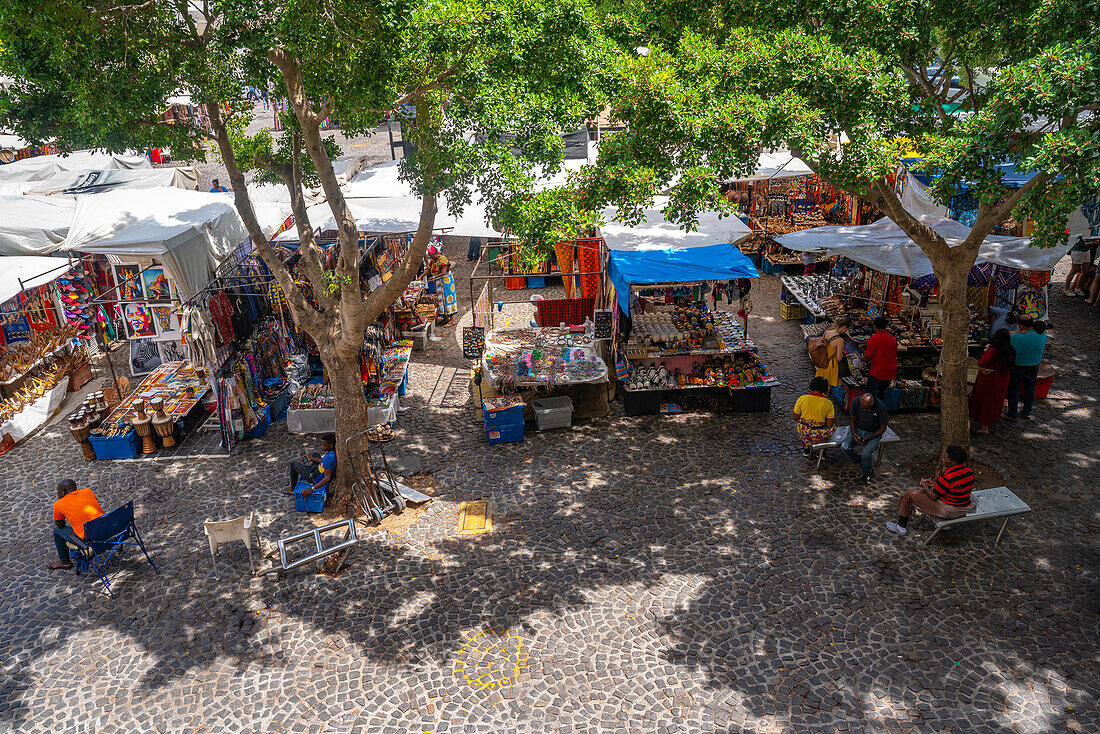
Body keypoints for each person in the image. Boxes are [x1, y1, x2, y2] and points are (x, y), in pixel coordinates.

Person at [886, 445, 974, 536]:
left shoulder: (947, 476)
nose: (943, 460)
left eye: (945, 458)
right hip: (963, 508)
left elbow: (933, 496)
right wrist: (936, 484)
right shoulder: (969, 472)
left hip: (949, 511)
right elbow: (954, 488)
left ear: (953, 462)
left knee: (909, 494)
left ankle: (901, 527)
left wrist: (924, 486)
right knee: (922, 493)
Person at [48, 480, 104, 570]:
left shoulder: (58, 504)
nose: (57, 493)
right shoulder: (88, 491)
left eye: (58, 491)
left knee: (57, 531)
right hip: (106, 529)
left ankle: (65, 561)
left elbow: (60, 526)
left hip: (88, 539)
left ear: (63, 492)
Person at [969, 328, 1015, 434]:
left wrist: (982, 368)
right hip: (1003, 378)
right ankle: (992, 419)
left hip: (990, 378)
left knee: (986, 401)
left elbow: (981, 362)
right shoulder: (1011, 350)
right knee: (996, 400)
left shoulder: (993, 350)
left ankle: (985, 427)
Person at [1004, 314, 1047, 422]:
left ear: (1021, 326)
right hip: (1034, 365)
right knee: (1030, 389)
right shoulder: (1042, 335)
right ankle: (1028, 412)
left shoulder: (1015, 337)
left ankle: (1012, 414)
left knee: (1014, 390)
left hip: (1018, 366)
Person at [841, 392, 888, 483]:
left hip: (873, 433)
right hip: (858, 429)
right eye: (863, 407)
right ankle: (860, 461)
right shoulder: (856, 402)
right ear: (860, 400)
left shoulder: (881, 407)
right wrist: (854, 433)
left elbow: (883, 428)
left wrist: (869, 438)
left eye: (868, 408)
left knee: (865, 454)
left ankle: (866, 474)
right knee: (844, 446)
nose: (866, 410)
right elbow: (852, 420)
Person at [793, 377, 835, 457]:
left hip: (805, 431)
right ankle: (823, 453)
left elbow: (795, 418)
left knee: (801, 424)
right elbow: (829, 424)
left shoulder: (802, 399)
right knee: (833, 427)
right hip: (820, 433)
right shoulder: (828, 403)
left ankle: (806, 449)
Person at [862, 316, 898, 402]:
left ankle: (868, 412)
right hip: (890, 371)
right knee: (881, 394)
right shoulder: (892, 339)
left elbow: (867, 357)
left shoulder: (873, 339)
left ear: (875, 326)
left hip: (878, 371)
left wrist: (862, 359)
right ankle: (879, 412)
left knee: (869, 395)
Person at [814, 316, 851, 388]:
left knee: (821, 385)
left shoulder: (827, 332)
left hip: (823, 361)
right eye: (846, 329)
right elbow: (839, 358)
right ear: (844, 327)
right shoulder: (840, 340)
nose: (845, 331)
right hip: (831, 366)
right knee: (827, 388)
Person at [428, 246, 459, 326]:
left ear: (434, 254)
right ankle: (446, 318)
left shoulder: (443, 260)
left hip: (446, 282)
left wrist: (434, 277)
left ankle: (452, 320)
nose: (429, 256)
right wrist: (421, 276)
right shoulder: (433, 260)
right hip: (439, 282)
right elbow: (428, 269)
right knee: (441, 300)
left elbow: (444, 272)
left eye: (430, 255)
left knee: (448, 299)